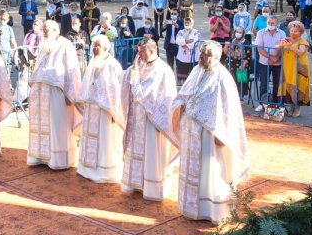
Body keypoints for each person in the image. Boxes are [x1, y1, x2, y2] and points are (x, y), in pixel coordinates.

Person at [171, 41, 249, 224]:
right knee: (192, 169)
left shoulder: (223, 77)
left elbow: (228, 109)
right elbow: (184, 94)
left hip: (210, 134)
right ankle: (190, 207)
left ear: (216, 57)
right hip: (191, 131)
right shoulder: (196, 71)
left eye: (206, 54)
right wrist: (180, 107)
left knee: (209, 171)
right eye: (201, 53)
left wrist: (224, 134)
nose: (202, 56)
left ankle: (210, 209)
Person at [120, 38, 178, 201]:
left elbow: (158, 96)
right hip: (137, 118)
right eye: (138, 51)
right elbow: (127, 80)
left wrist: (134, 79)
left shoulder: (163, 70)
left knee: (151, 152)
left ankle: (151, 187)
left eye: (141, 51)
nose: (138, 54)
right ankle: (136, 183)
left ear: (151, 51)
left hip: (153, 120)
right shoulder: (141, 66)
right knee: (136, 151)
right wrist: (132, 72)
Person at [27, 19, 81, 170]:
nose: (44, 32)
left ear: (56, 30)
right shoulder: (44, 44)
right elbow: (39, 66)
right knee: (41, 124)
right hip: (40, 91)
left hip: (57, 90)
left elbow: (72, 69)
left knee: (56, 124)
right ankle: (39, 156)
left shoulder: (65, 44)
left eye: (47, 30)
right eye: (43, 30)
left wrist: (71, 93)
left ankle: (57, 159)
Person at [75, 35, 125, 184]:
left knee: (104, 140)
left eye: (97, 46)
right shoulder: (93, 62)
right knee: (89, 137)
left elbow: (118, 90)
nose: (94, 48)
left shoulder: (113, 65)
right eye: (93, 45)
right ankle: (86, 169)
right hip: (91, 109)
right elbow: (87, 83)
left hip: (105, 110)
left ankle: (103, 171)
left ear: (105, 48)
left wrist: (114, 111)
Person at [278, 21, 311, 118]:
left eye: (296, 31)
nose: (293, 32)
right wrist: (280, 44)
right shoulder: (286, 39)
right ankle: (292, 107)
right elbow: (279, 47)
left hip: (300, 67)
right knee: (289, 86)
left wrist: (291, 46)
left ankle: (297, 108)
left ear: (300, 32)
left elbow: (300, 52)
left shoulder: (303, 42)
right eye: (291, 30)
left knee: (299, 86)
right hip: (288, 67)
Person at [254, 15, 286, 110]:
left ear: (276, 23)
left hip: (278, 63)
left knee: (277, 84)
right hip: (264, 62)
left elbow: (283, 47)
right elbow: (259, 48)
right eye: (269, 23)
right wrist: (271, 58)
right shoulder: (261, 32)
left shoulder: (282, 33)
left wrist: (276, 58)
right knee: (264, 83)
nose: (270, 24)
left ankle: (275, 104)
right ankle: (262, 103)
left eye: (272, 23)